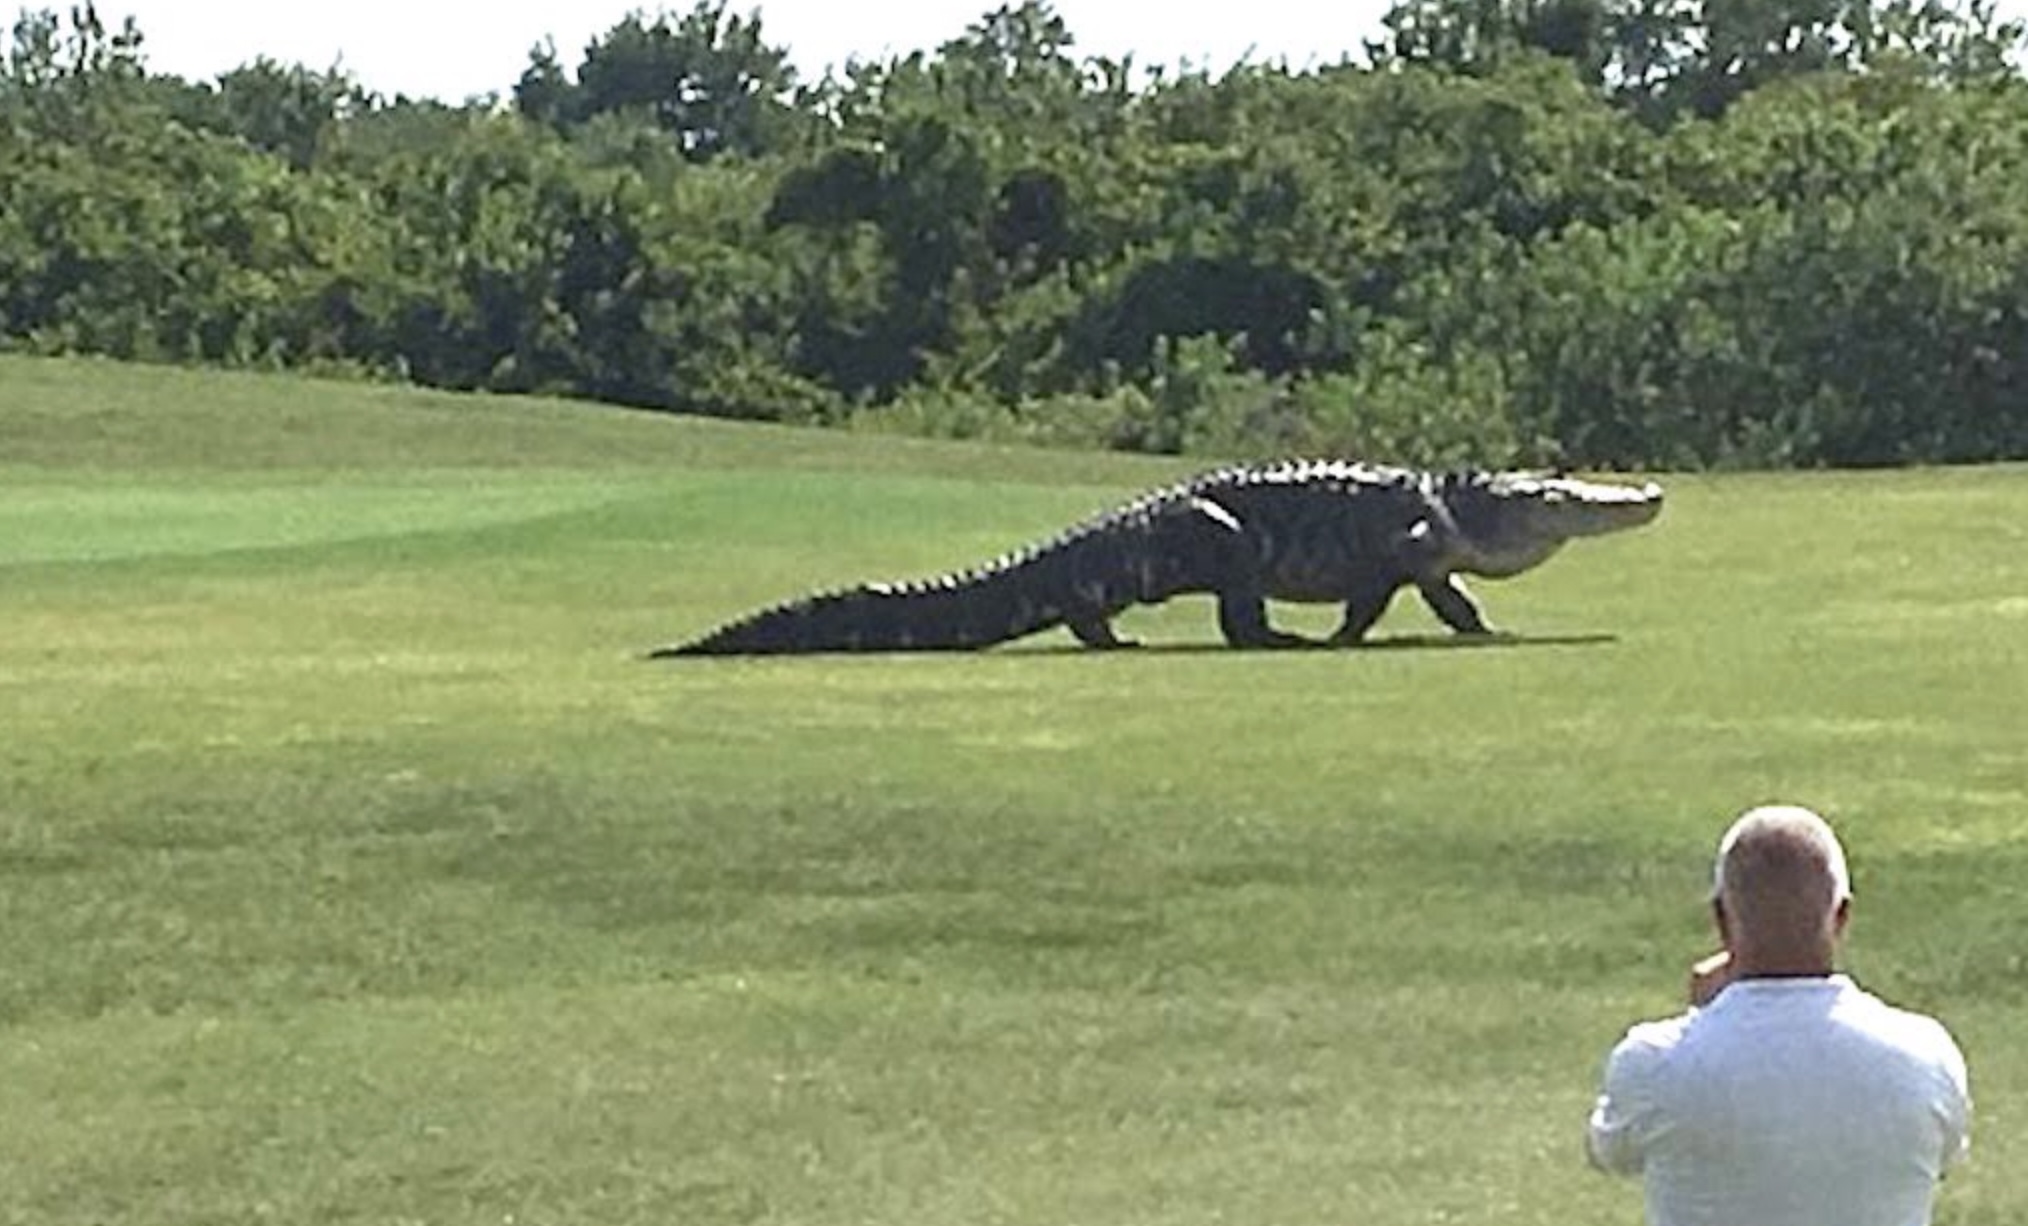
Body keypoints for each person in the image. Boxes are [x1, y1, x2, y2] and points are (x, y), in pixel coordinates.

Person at [1586, 803, 1972, 1226]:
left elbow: (1609, 1151)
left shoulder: (1654, 1062)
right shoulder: (1925, 1055)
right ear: (1840, 917)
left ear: (1721, 918)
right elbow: (1946, 1155)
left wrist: (1703, 1014)